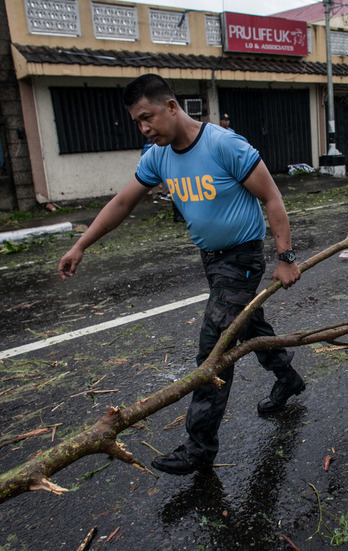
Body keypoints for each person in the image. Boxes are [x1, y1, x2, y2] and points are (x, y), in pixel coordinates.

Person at [57, 74, 304, 476]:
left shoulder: (224, 144)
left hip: (241, 258)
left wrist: (285, 256)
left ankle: (199, 446)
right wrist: (80, 245)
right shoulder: (158, 157)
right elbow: (122, 202)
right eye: (138, 121)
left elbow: (272, 196)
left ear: (172, 107)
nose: (144, 127)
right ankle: (287, 376)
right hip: (211, 260)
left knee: (214, 349)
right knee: (247, 325)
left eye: (147, 117)